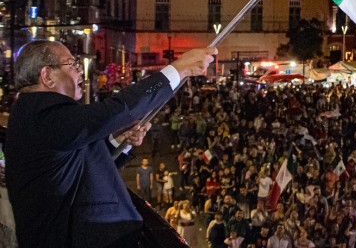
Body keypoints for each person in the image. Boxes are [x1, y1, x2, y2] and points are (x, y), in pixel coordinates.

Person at [5, 40, 216, 248]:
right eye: (72, 65)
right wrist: (178, 70)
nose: (80, 72)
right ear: (47, 76)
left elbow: (76, 165)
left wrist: (119, 140)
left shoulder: (40, 117)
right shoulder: (43, 115)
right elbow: (117, 109)